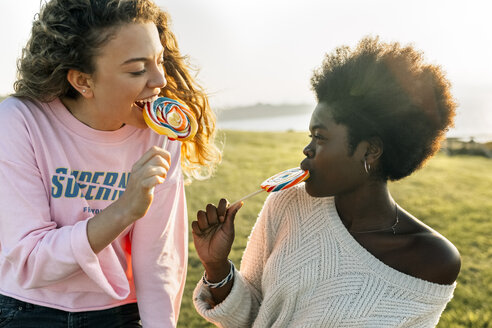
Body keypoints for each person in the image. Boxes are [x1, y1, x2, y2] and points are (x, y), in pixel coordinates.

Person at [191, 36, 461, 327]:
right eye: (310, 136)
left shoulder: (433, 261)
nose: (307, 149)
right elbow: (255, 314)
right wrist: (216, 266)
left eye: (320, 137)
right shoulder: (287, 204)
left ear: (370, 150)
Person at [0, 0, 220, 327]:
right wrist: (123, 210)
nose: (159, 80)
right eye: (137, 69)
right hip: (28, 307)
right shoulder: (21, 122)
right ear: (83, 81)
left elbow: (157, 262)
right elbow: (31, 262)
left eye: (159, 60)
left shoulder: (159, 136)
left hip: (117, 312)